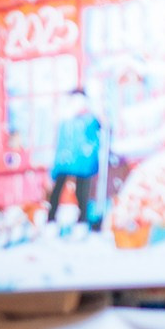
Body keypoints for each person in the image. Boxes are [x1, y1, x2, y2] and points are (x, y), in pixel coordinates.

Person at [46, 87, 104, 234]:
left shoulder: (84, 118)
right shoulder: (68, 118)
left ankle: (77, 222)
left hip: (77, 160)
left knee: (78, 192)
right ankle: (59, 221)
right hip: (73, 160)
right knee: (61, 191)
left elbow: (95, 137)